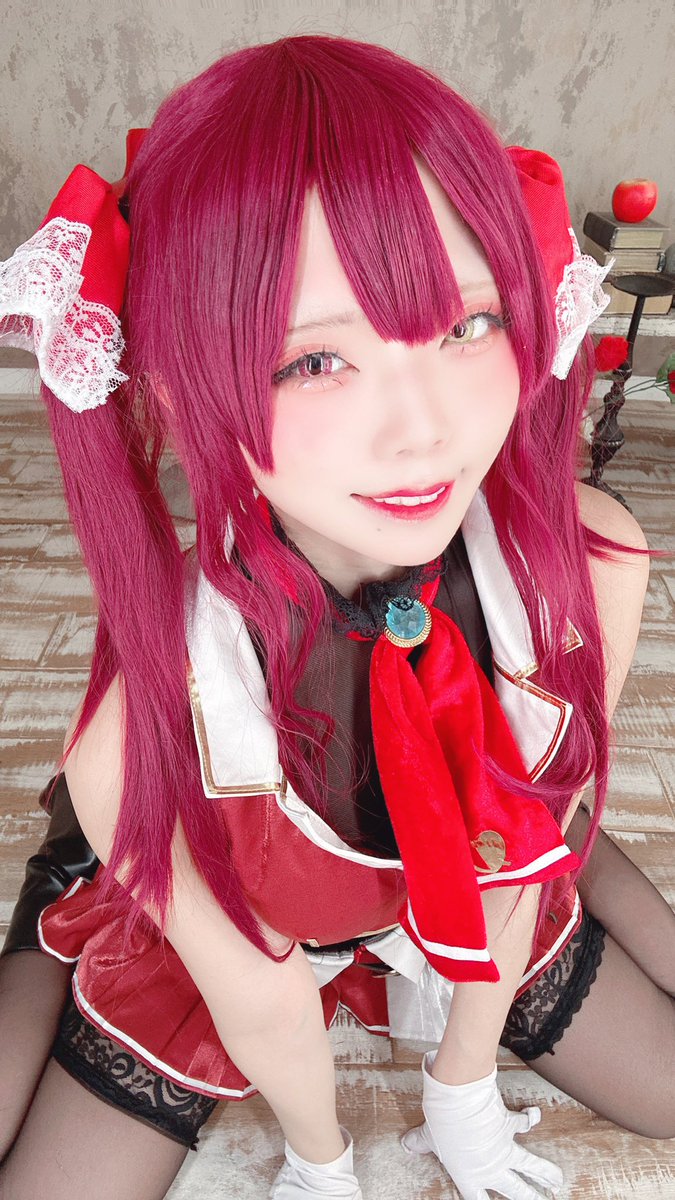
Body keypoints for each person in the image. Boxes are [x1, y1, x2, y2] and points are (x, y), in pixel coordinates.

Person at [0, 32, 673, 1200]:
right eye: (313, 362)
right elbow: (258, 996)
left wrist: (462, 1091)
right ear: (177, 388)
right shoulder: (142, 731)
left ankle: (523, 828)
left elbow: (513, 867)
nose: (424, 430)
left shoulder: (593, 563)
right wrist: (326, 1164)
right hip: (213, 869)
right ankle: (62, 898)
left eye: (466, 326)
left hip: (452, 866)